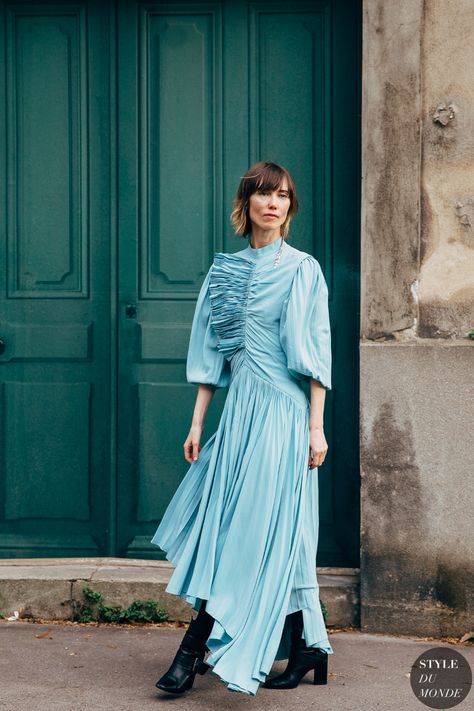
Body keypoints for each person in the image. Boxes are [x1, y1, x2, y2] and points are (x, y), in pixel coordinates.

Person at [150, 161, 333, 696]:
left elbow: (314, 354)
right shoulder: (223, 271)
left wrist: (316, 428)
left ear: (289, 207)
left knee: (248, 536)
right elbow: (210, 354)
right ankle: (307, 648)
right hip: (238, 419)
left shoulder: (303, 269)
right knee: (272, 534)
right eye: (264, 194)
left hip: (283, 416)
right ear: (246, 202)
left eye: (283, 195)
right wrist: (197, 422)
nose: (273, 203)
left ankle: (191, 652)